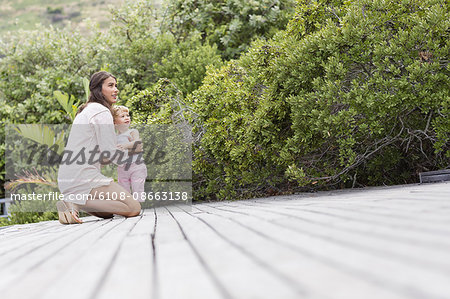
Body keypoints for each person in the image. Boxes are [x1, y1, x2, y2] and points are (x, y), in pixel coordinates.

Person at [57, 71, 141, 224]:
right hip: (82, 176)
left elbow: (102, 155)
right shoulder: (102, 112)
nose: (115, 89)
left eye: (116, 86)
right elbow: (110, 152)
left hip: (67, 177)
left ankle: (74, 201)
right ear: (98, 89)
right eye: (110, 85)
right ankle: (75, 201)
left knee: (109, 213)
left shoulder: (86, 110)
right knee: (133, 207)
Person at [112, 105, 147, 201]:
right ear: (114, 122)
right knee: (124, 189)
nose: (126, 118)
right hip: (122, 168)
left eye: (127, 115)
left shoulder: (132, 132)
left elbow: (138, 143)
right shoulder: (114, 137)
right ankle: (127, 207)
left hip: (136, 165)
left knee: (137, 187)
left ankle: (137, 206)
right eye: (122, 116)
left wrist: (126, 146)